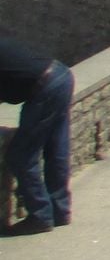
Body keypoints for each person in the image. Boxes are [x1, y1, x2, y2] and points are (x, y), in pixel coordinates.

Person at [0, 35, 72, 235]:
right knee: (55, 149)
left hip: (45, 87)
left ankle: (40, 215)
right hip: (61, 76)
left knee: (20, 155)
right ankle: (60, 210)